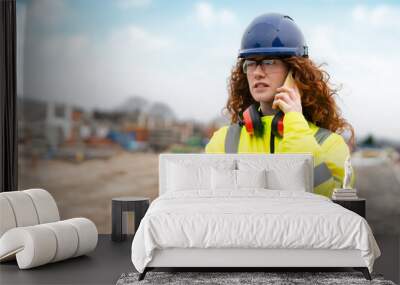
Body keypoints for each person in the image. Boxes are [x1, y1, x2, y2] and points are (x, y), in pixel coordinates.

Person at [205, 13, 355, 198]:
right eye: (251, 63)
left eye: (269, 62)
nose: (258, 73)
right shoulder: (223, 142)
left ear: (294, 71)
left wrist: (295, 123)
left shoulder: (330, 144)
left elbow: (327, 201)